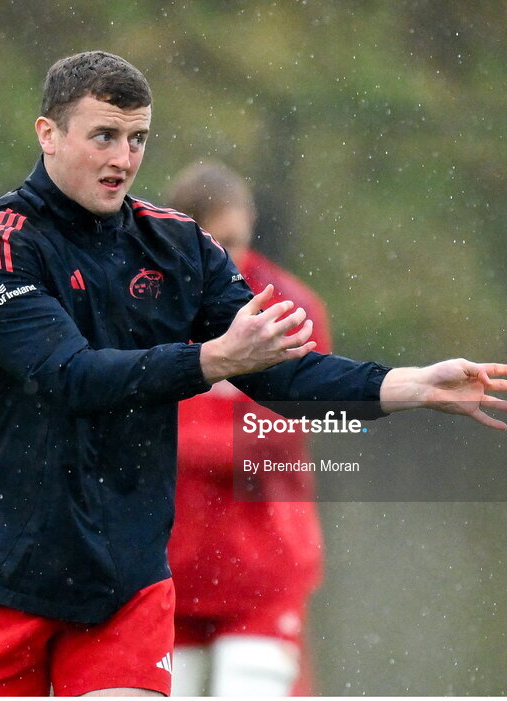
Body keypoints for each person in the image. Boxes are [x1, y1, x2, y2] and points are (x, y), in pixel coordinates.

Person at [0, 50, 507, 697]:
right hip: (4, 578)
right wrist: (210, 359)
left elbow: (282, 374)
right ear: (47, 133)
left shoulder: (177, 246)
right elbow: (72, 377)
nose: (124, 159)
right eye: (104, 135)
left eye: (138, 139)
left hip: (124, 587)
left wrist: (404, 385)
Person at [165, 161, 332, 696]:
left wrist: (166, 437)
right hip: (164, 570)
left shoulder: (290, 310)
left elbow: (275, 436)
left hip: (263, 566)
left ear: (252, 224)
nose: (222, 260)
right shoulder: (146, 307)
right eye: (207, 245)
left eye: (232, 242)